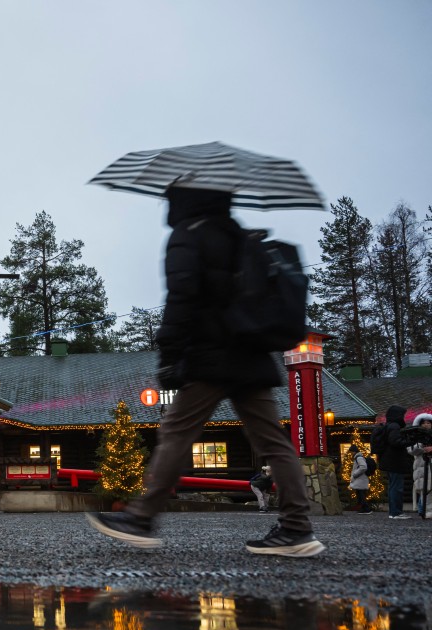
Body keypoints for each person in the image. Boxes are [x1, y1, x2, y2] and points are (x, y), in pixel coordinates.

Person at [85, 184, 324, 557]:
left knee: (177, 431)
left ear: (184, 201)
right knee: (274, 443)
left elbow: (181, 298)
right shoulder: (239, 234)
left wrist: (168, 355)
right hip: (251, 353)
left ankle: (142, 518)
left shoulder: (189, 236)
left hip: (211, 354)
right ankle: (297, 528)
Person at [376, 405, 413, 519]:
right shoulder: (395, 426)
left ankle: (394, 512)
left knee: (393, 486)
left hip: (389, 461)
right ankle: (396, 512)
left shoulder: (388, 426)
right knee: (397, 487)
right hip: (395, 461)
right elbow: (395, 441)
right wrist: (409, 441)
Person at [407, 412, 432, 517]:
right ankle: (425, 511)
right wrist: (422, 448)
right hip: (421, 466)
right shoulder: (415, 436)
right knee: (424, 489)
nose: (426, 425)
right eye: (424, 423)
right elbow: (410, 450)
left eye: (428, 423)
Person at [348, 444, 373, 514]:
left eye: (351, 452)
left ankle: (366, 509)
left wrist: (355, 474)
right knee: (360, 494)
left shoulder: (359, 458)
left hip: (360, 479)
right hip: (360, 479)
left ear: (354, 451)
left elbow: (363, 467)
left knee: (361, 494)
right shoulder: (359, 457)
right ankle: (364, 508)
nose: (351, 453)